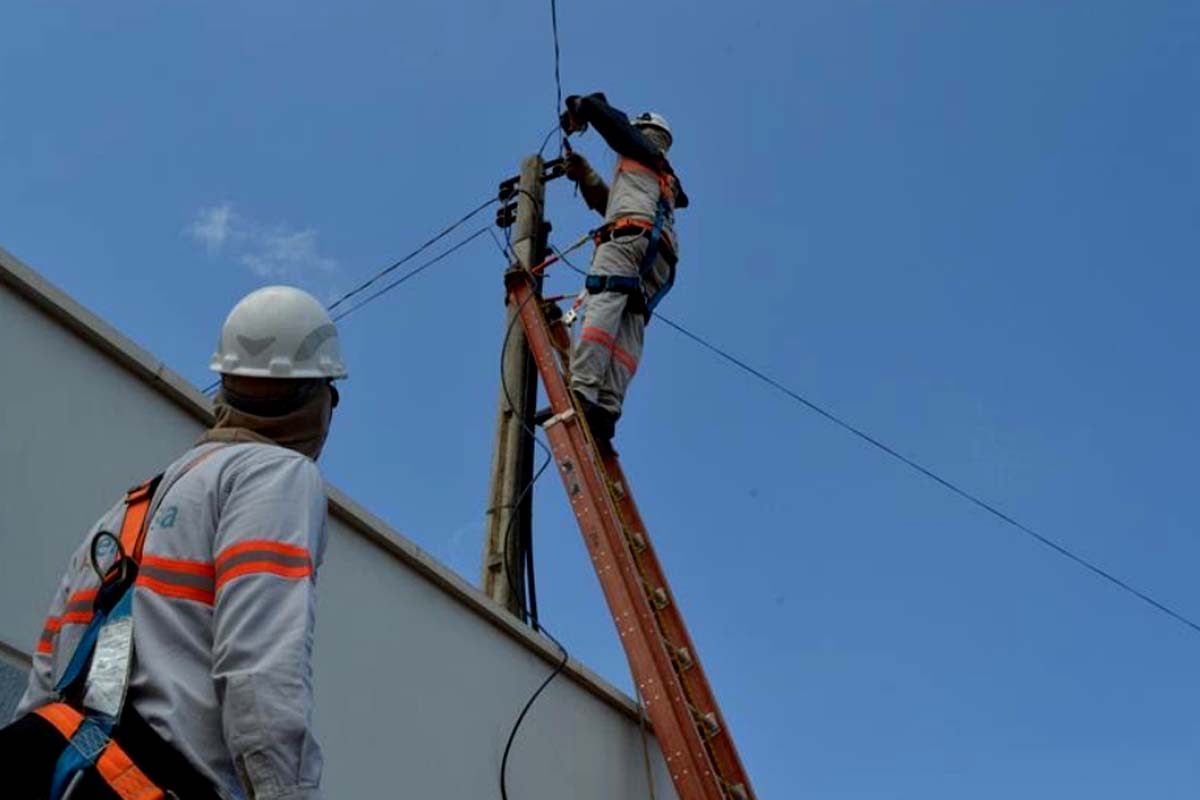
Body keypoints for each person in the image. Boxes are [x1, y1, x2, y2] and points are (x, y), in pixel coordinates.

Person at [1, 285, 346, 800]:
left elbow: (43, 688)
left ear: (225, 385)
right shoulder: (275, 475)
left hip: (44, 763)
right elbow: (258, 671)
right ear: (319, 396)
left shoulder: (124, 511)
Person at [558, 92, 689, 444]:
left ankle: (584, 392)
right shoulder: (658, 175)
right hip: (659, 259)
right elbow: (614, 206)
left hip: (630, 241)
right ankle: (606, 410)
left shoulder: (639, 147)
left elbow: (610, 121)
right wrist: (585, 174)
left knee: (603, 299)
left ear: (641, 130)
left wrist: (584, 107)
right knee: (628, 327)